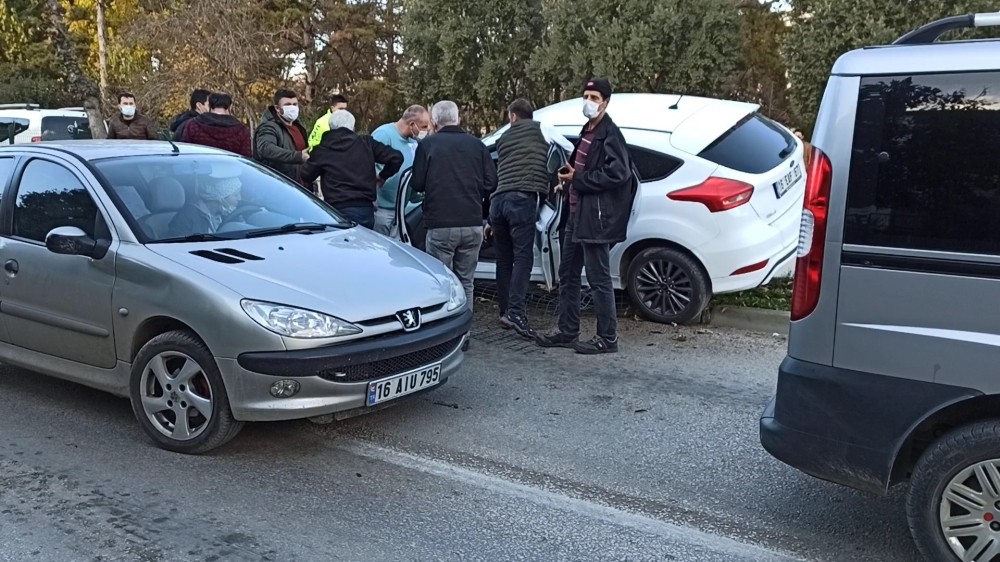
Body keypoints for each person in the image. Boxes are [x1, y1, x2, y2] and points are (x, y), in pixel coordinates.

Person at [535, 78, 637, 355]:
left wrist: (578, 178)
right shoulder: (587, 130)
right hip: (576, 215)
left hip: (595, 219)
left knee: (599, 279)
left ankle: (608, 338)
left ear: (605, 102)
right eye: (586, 96)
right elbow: (583, 168)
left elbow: (618, 174)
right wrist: (567, 181)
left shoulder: (610, 134)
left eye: (594, 97)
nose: (588, 102)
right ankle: (568, 330)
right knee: (567, 274)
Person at [486, 98, 569, 339]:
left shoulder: (502, 139)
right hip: (523, 199)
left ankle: (505, 311)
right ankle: (515, 313)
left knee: (504, 259)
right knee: (523, 257)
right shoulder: (543, 129)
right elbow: (566, 151)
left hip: (497, 202)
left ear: (513, 116)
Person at [411, 100, 496, 323]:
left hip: (440, 224)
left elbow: (417, 183)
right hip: (472, 223)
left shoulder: (428, 145)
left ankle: (443, 330)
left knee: (441, 282)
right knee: (466, 281)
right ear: (458, 119)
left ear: (435, 121)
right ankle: (465, 330)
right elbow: (491, 182)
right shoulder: (477, 145)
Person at [300, 110, 404, 229]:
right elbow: (396, 158)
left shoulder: (323, 149)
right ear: (353, 127)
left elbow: (306, 175)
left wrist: (306, 160)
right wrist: (382, 177)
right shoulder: (366, 143)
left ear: (330, 127)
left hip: (336, 209)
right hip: (365, 208)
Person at [371, 105, 432, 236]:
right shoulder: (383, 135)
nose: (426, 131)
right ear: (412, 124)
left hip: (401, 210)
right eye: (424, 127)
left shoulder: (413, 141)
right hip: (382, 210)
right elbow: (367, 166)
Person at [168, 163, 243, 237]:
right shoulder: (185, 218)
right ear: (219, 197)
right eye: (236, 195)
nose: (239, 198)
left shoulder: (233, 215)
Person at [254, 89, 310, 186]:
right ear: (277, 108)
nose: (292, 107)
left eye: (295, 104)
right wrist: (298, 156)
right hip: (279, 185)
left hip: (300, 187)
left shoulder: (298, 127)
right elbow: (265, 149)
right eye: (287, 104)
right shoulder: (269, 127)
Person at [176, 93, 252, 158]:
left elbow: (184, 152)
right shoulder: (242, 131)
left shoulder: (193, 125)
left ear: (209, 106)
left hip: (199, 171)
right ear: (229, 108)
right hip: (231, 173)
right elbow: (246, 158)